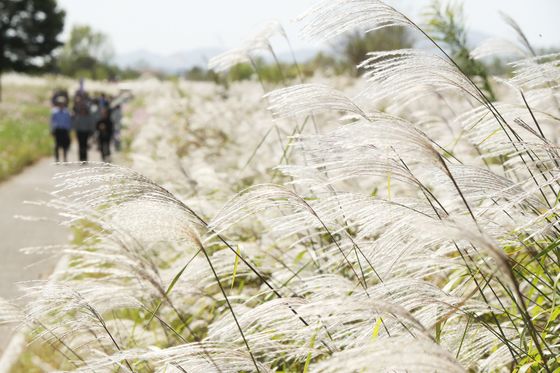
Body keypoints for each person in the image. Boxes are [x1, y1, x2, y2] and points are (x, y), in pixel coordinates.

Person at [72, 96, 95, 162]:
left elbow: (91, 124)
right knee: (80, 145)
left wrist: (91, 131)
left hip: (86, 132)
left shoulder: (88, 117)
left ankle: (85, 158)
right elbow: (75, 125)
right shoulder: (78, 117)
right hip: (79, 132)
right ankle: (81, 158)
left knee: (84, 145)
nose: (83, 111)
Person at [50, 95, 72, 162]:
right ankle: (57, 159)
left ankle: (65, 158)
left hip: (64, 130)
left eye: (62, 103)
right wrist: (52, 130)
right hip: (57, 130)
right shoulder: (54, 112)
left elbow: (68, 121)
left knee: (65, 145)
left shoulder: (67, 112)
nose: (61, 104)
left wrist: (69, 129)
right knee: (57, 145)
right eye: (60, 103)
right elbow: (52, 122)